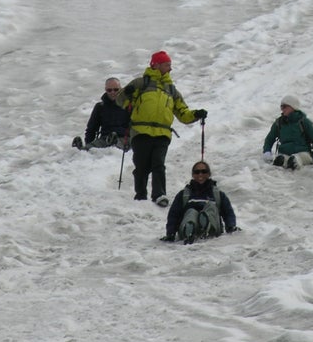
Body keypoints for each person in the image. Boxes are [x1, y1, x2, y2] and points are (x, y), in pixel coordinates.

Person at [121, 51, 207, 205]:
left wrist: (196, 114)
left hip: (162, 134)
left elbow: (183, 113)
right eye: (167, 65)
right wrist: (126, 94)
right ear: (157, 65)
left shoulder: (172, 90)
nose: (170, 68)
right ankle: (140, 195)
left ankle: (159, 195)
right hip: (140, 131)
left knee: (158, 164)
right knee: (141, 165)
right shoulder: (140, 83)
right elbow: (121, 101)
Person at [162, 160, 238, 243]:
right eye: (197, 172)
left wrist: (231, 226)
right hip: (187, 226)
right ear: (193, 175)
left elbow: (228, 212)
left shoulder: (217, 194)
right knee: (191, 212)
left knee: (210, 207)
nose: (200, 175)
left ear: (209, 174)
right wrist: (170, 233)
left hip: (213, 228)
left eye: (204, 171)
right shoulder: (184, 194)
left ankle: (207, 225)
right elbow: (173, 214)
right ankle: (189, 231)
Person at [262, 96, 313, 169]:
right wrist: (267, 151)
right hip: (285, 154)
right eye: (281, 107)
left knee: (295, 160)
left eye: (284, 106)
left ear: (293, 107)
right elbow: (269, 139)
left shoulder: (304, 122)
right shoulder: (279, 123)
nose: (282, 109)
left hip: (303, 154)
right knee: (280, 161)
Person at [81, 78, 130, 148]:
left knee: (117, 145)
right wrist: (88, 144)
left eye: (116, 89)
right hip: (105, 139)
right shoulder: (100, 107)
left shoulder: (129, 105)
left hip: (124, 139)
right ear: (106, 90)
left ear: (121, 89)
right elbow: (91, 129)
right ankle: (82, 150)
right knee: (91, 148)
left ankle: (113, 141)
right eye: (109, 90)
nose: (113, 92)